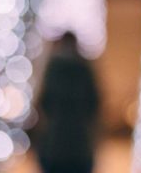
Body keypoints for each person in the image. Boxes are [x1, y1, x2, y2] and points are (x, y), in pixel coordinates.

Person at [33, 32, 100, 173]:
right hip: (79, 143)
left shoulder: (53, 68)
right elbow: (94, 102)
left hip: (55, 143)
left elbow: (44, 101)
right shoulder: (84, 68)